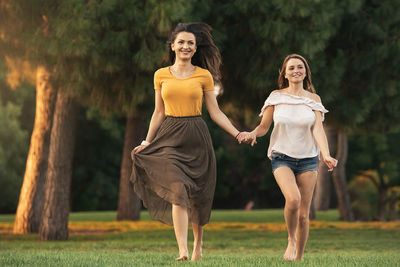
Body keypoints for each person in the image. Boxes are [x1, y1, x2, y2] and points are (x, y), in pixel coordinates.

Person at [130, 22, 244, 262]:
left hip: (196, 136)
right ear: (172, 46)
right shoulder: (160, 75)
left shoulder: (204, 76)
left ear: (195, 48)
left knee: (197, 196)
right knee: (178, 190)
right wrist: (147, 141)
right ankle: (182, 249)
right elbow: (158, 112)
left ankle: (197, 246)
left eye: (190, 43)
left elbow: (215, 112)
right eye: (180, 42)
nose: (185, 46)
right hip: (170, 135)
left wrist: (237, 133)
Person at [239, 54, 338, 261]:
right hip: (281, 156)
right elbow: (264, 127)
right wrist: (252, 134)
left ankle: (299, 258)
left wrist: (326, 154)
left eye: (300, 67)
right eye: (291, 67)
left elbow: (318, 129)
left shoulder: (314, 99)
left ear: (305, 72)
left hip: (309, 159)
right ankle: (291, 240)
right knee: (293, 199)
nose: (296, 70)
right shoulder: (276, 96)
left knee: (303, 214)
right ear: (284, 73)